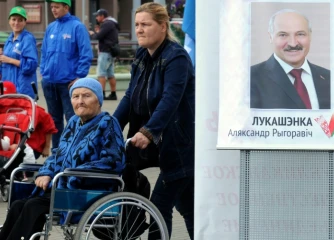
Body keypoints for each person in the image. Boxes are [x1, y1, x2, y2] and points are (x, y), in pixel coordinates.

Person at [0, 77, 126, 240]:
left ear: (99, 100)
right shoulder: (74, 122)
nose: (80, 101)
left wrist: (69, 174)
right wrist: (45, 172)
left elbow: (114, 161)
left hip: (87, 191)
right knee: (18, 205)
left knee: (33, 206)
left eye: (86, 96)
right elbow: (59, 154)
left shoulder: (107, 123)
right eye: (75, 96)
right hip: (62, 188)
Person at [113, 2, 195, 239]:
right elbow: (130, 96)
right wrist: (109, 126)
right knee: (187, 206)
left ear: (162, 26)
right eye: (137, 24)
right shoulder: (142, 54)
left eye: (145, 24)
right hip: (158, 141)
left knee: (159, 205)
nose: (139, 29)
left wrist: (148, 131)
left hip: (179, 143)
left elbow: (170, 100)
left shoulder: (176, 57)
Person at [250, 9, 331, 110]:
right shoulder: (250, 80)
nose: (293, 43)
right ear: (270, 37)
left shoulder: (331, 79)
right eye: (283, 35)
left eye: (300, 34)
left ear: (310, 36)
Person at [40, 0, 93, 150]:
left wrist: (79, 77)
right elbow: (43, 53)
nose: (53, 10)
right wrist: (44, 71)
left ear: (66, 7)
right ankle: (57, 153)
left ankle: (73, 151)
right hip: (49, 83)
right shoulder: (51, 28)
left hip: (69, 84)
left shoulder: (77, 27)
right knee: (54, 120)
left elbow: (86, 54)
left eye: (56, 7)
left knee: (73, 119)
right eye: (52, 7)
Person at [2, 81, 57, 160]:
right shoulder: (33, 108)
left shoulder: (32, 109)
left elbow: (48, 125)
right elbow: (49, 125)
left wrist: (46, 147)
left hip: (27, 149)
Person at [0, 6, 38, 99]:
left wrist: (10, 60)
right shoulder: (9, 40)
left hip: (23, 90)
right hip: (8, 90)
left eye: (20, 20)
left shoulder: (28, 39)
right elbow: (4, 66)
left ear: (25, 22)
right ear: (9, 21)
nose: (16, 23)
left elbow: (31, 65)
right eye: (14, 19)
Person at [89, 9, 120, 100]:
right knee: (110, 74)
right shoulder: (112, 23)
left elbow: (98, 36)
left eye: (98, 15)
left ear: (102, 16)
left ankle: (101, 95)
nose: (96, 17)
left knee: (101, 73)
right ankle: (113, 94)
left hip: (105, 52)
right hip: (110, 52)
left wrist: (92, 34)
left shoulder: (107, 24)